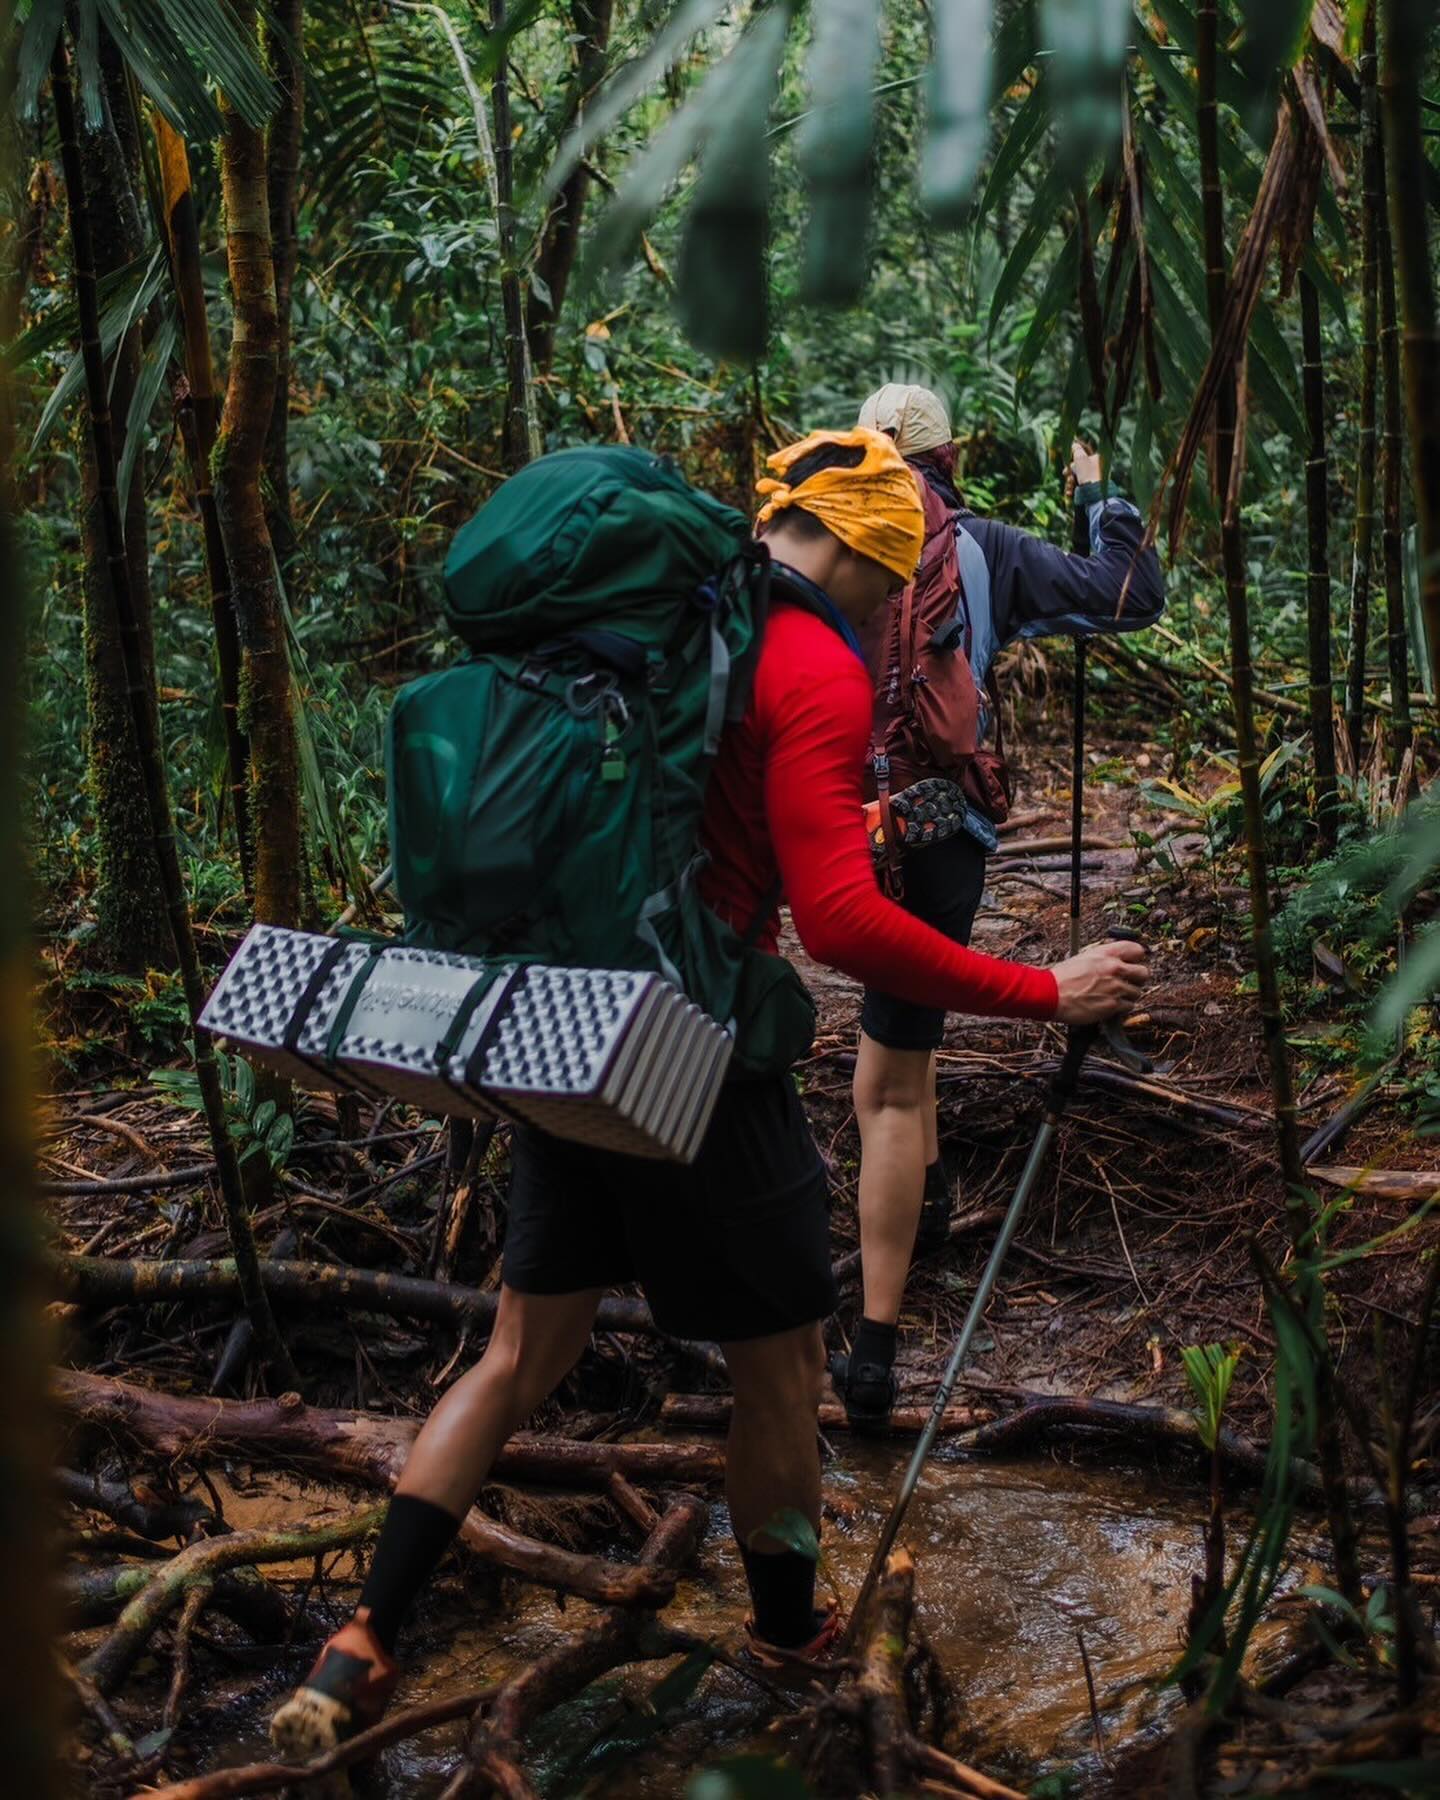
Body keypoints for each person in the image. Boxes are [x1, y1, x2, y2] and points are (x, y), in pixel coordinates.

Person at [270, 428, 1149, 1761]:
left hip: (559, 1032)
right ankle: (790, 1637)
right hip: (693, 1051)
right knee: (781, 1367)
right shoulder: (806, 661)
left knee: (521, 1355)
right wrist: (1045, 989)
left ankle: (360, 1641)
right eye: (884, 582)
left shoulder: (638, 618)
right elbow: (843, 924)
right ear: (856, 550)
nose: (881, 612)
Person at [834, 383, 1166, 1431]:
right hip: (945, 833)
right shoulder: (984, 546)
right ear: (951, 454)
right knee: (894, 1063)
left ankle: (896, 1279)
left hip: (848, 828)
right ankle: (879, 1349)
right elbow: (1128, 593)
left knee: (894, 1043)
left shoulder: (821, 536)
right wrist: (1099, 500)